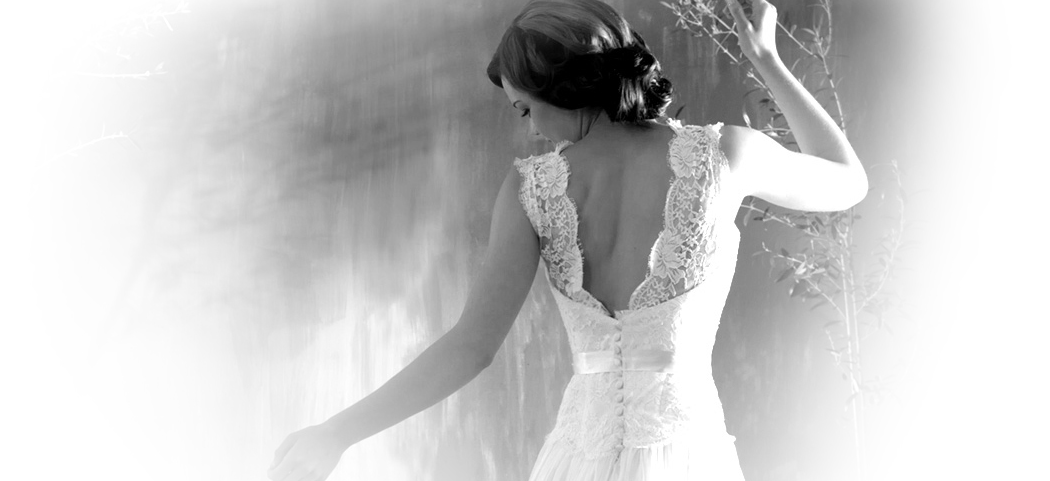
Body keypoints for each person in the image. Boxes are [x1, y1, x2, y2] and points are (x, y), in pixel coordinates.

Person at [267, 0, 867, 479]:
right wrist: (767, 61)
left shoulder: (529, 190)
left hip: (575, 460)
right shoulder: (728, 155)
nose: (529, 129)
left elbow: (470, 349)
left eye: (524, 109)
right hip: (688, 456)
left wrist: (337, 433)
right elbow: (848, 182)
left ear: (566, 87)